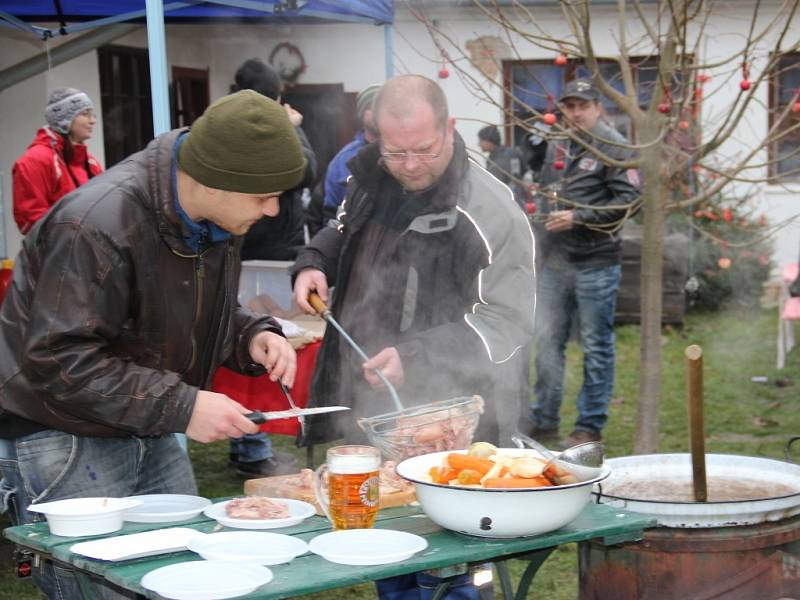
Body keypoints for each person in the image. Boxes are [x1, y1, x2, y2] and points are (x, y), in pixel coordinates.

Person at [0, 90, 306, 599]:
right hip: (61, 431)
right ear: (213, 181)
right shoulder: (94, 223)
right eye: (262, 197)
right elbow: (58, 359)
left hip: (147, 417)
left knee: (182, 576)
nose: (273, 211)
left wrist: (251, 335)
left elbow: (193, 305)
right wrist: (184, 404)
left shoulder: (213, 212)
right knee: (99, 589)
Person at [292, 74, 535, 599]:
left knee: (455, 568)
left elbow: (510, 320)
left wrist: (416, 353)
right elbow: (341, 227)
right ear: (376, 137)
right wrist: (314, 261)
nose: (409, 166)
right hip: (373, 402)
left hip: (457, 417)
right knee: (391, 547)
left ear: (449, 128)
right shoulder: (368, 178)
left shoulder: (491, 209)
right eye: (395, 152)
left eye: (423, 150)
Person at [528, 78, 641, 448]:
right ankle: (543, 420)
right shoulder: (558, 143)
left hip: (596, 260)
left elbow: (627, 203)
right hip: (555, 260)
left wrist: (579, 217)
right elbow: (549, 189)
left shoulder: (615, 147)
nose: (575, 113)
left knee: (595, 345)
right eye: (570, 107)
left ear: (598, 108)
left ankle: (588, 426)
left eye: (583, 106)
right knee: (547, 341)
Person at [227, 58, 318, 477]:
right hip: (268, 252)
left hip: (241, 249)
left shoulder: (224, 122)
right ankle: (253, 441)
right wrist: (292, 126)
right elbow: (305, 170)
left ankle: (244, 439)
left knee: (246, 341)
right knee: (269, 342)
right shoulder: (267, 128)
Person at [12, 87, 103, 234]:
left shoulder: (90, 162)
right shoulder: (35, 160)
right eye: (85, 114)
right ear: (65, 120)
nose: (92, 120)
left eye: (92, 114)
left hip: (88, 251)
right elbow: (31, 221)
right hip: (59, 254)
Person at [476, 124, 526, 209]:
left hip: (509, 204)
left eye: (481, 140)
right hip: (510, 202)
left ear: (489, 141)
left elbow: (512, 181)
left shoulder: (504, 159)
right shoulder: (496, 157)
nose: (479, 144)